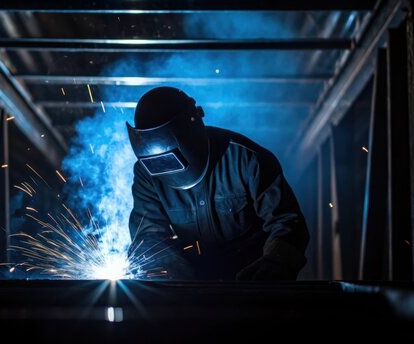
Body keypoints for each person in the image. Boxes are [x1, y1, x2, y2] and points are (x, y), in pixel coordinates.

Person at [126, 87, 309, 280]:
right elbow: (148, 236)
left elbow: (288, 223)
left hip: (252, 282)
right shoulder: (146, 173)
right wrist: (167, 268)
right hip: (191, 287)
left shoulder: (248, 160)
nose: (164, 166)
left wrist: (274, 264)